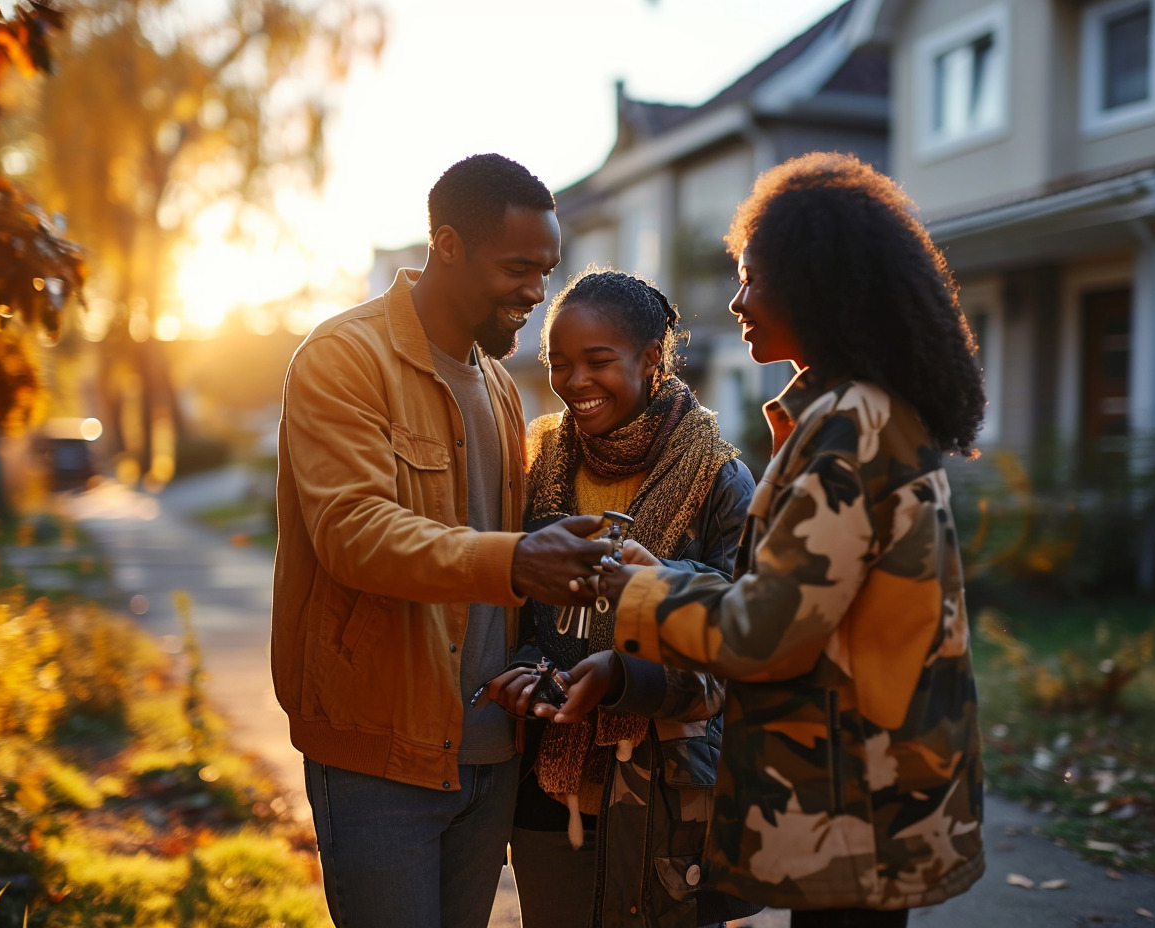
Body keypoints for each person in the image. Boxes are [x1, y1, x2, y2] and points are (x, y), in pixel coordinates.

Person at [590, 153, 988, 928]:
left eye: (753, 277)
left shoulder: (852, 426)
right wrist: (662, 574)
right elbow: (794, 602)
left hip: (857, 811)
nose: (737, 300)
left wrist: (637, 590)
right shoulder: (865, 413)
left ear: (818, 284)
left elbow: (765, 635)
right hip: (868, 803)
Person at [270, 153, 614, 928]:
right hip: (379, 753)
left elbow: (489, 548)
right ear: (448, 245)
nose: (538, 293)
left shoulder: (497, 384)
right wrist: (518, 561)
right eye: (520, 268)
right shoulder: (341, 358)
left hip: (492, 753)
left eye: (547, 270)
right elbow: (353, 535)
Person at [480, 268, 760, 928]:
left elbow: (745, 648)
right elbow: (509, 599)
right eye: (560, 363)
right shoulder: (536, 459)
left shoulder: (720, 479)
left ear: (651, 358)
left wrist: (622, 678)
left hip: (667, 796)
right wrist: (524, 665)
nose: (575, 381)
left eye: (598, 361)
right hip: (548, 795)